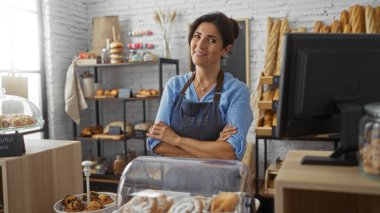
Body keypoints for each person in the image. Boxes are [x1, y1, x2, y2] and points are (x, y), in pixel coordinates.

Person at [147, 11, 253, 161]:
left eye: (211, 40)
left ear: (225, 49)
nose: (200, 45)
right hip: (175, 181)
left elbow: (231, 152)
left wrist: (176, 140)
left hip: (216, 182)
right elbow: (156, 143)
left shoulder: (237, 91)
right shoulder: (174, 86)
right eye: (197, 36)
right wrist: (213, 148)